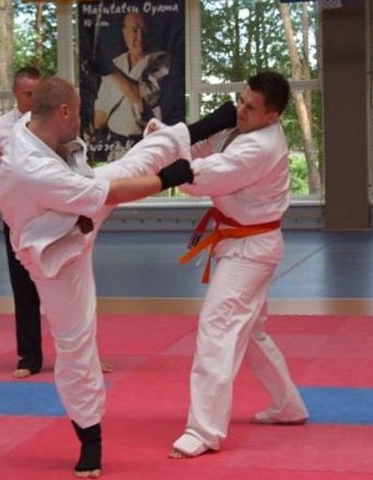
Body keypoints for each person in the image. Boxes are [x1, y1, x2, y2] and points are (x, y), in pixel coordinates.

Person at [0, 75, 202, 477]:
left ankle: (210, 124)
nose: (84, 119)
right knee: (75, 343)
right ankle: (90, 439)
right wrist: (171, 178)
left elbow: (105, 184)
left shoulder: (33, 128)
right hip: (56, 254)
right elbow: (112, 195)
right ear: (64, 112)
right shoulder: (30, 167)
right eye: (79, 111)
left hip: (73, 209)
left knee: (127, 165)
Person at [154, 71, 309, 458]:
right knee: (250, 332)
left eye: (250, 107)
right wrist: (169, 138)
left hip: (251, 250)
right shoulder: (240, 129)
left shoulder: (260, 146)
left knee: (217, 327)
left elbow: (201, 177)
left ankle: (204, 430)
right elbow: (203, 145)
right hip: (241, 242)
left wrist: (162, 159)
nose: (240, 109)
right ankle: (289, 406)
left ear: (272, 116)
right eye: (240, 100)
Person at [0, 66, 45, 379]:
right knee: (24, 288)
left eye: (39, 94)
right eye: (28, 94)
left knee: (68, 290)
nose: (34, 100)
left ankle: (82, 357)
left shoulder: (56, 123)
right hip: (18, 221)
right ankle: (29, 357)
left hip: (54, 218)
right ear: (15, 93)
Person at [92, 11, 172, 161]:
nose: (139, 37)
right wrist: (91, 129)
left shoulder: (161, 60)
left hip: (145, 147)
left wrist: (111, 72)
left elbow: (144, 96)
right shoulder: (117, 63)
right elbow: (102, 109)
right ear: (124, 33)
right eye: (134, 30)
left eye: (144, 31)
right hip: (116, 148)